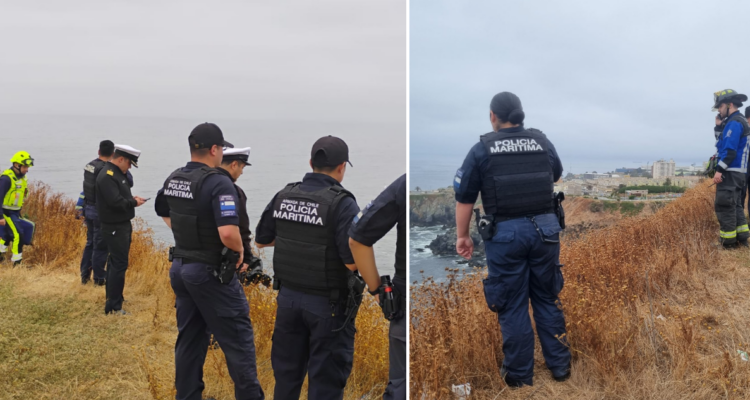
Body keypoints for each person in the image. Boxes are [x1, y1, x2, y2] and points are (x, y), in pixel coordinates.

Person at [453, 92, 570, 387]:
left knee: (513, 305)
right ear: (521, 114)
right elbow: (555, 175)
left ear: (493, 116)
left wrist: (463, 236)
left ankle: (519, 378)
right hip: (546, 230)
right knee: (546, 297)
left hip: (505, 235)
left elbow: (465, 198)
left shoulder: (481, 149)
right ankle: (561, 368)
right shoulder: (541, 142)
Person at [155, 123, 264, 400]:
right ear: (214, 149)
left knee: (190, 338)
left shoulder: (175, 177)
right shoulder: (218, 181)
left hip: (181, 268)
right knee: (238, 340)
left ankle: (188, 395)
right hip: (210, 272)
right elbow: (228, 232)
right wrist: (239, 251)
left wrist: (183, 232)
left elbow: (162, 208)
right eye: (222, 149)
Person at [255, 135, 360, 400]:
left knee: (287, 378)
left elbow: (261, 239)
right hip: (328, 306)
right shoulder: (343, 203)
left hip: (288, 300)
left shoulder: (285, 195)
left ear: (311, 162)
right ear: (342, 167)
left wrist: (299, 238)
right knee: (325, 383)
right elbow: (350, 260)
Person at [348, 173, 407, 400]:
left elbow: (357, 239)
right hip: (430, 299)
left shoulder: (403, 183)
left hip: (403, 297)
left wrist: (376, 291)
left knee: (402, 383)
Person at [95, 144, 146, 314]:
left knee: (115, 263)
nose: (130, 167)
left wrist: (131, 198)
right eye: (130, 163)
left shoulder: (116, 173)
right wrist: (134, 203)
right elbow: (115, 202)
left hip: (120, 224)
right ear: (121, 159)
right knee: (119, 264)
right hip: (114, 226)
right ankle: (114, 307)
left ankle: (115, 297)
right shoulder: (108, 175)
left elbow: (118, 196)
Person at [711, 89, 750, 248]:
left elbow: (729, 151)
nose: (719, 111)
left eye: (720, 107)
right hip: (738, 173)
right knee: (735, 206)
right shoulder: (736, 121)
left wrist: (719, 171)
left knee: (724, 206)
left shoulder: (734, 123)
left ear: (729, 104)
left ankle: (728, 244)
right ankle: (743, 239)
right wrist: (719, 127)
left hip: (730, 172)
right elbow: (721, 143)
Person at [80, 140, 115, 285]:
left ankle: (84, 275)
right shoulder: (106, 169)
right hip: (99, 211)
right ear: (113, 154)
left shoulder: (90, 165)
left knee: (90, 243)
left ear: (99, 151)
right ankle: (99, 278)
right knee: (100, 246)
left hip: (88, 208)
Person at [218, 147, 255, 273]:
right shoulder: (232, 191)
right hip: (224, 262)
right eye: (242, 167)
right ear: (234, 165)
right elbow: (241, 227)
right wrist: (246, 258)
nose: (241, 172)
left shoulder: (202, 183)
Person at [0, 151, 35, 266]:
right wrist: (0, 216)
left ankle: (1, 256)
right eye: (25, 167)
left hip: (14, 212)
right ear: (16, 165)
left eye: (27, 167)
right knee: (18, 235)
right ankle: (17, 263)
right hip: (6, 212)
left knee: (7, 235)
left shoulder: (22, 178)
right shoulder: (6, 179)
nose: (27, 170)